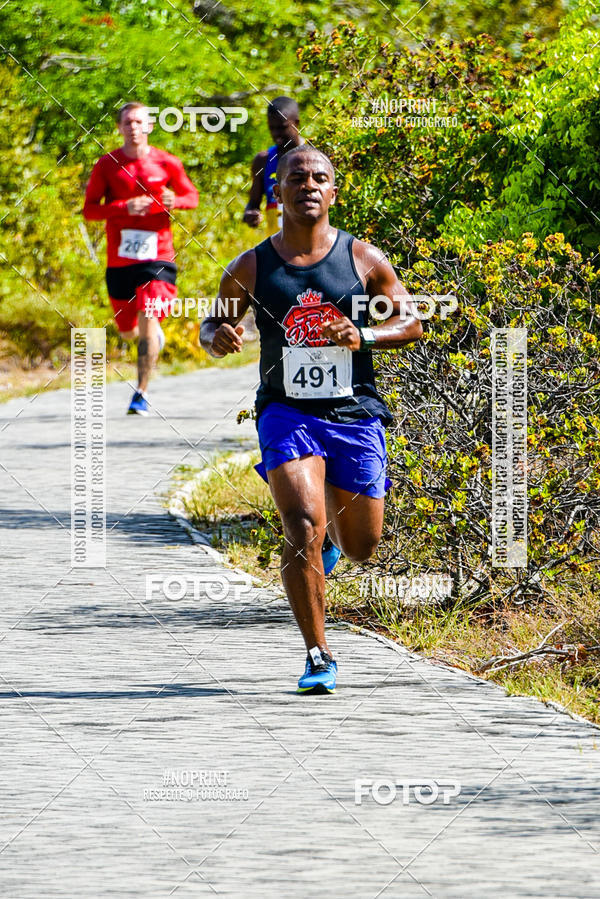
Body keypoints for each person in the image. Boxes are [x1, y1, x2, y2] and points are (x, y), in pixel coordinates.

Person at [201, 145, 423, 694]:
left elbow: (412, 321)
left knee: (360, 547)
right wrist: (217, 337)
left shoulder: (362, 259)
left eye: (319, 178)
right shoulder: (250, 266)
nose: (308, 185)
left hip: (353, 413)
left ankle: (328, 540)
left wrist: (364, 334)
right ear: (277, 191)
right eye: (296, 177)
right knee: (300, 524)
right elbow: (210, 327)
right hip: (286, 411)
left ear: (333, 191)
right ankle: (318, 653)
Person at [83, 101, 198, 415]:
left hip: (157, 256)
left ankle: (141, 392)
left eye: (139, 122)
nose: (133, 127)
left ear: (149, 126)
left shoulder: (167, 162)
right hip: (120, 260)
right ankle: (149, 339)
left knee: (149, 315)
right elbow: (90, 210)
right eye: (127, 123)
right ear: (119, 128)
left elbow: (191, 196)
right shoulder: (106, 165)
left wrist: (178, 200)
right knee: (127, 330)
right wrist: (122, 207)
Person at [243, 96, 303, 235]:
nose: (276, 135)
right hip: (277, 248)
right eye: (272, 128)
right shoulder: (263, 161)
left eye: (282, 128)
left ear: (296, 123)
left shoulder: (316, 157)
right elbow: (253, 204)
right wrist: (251, 214)